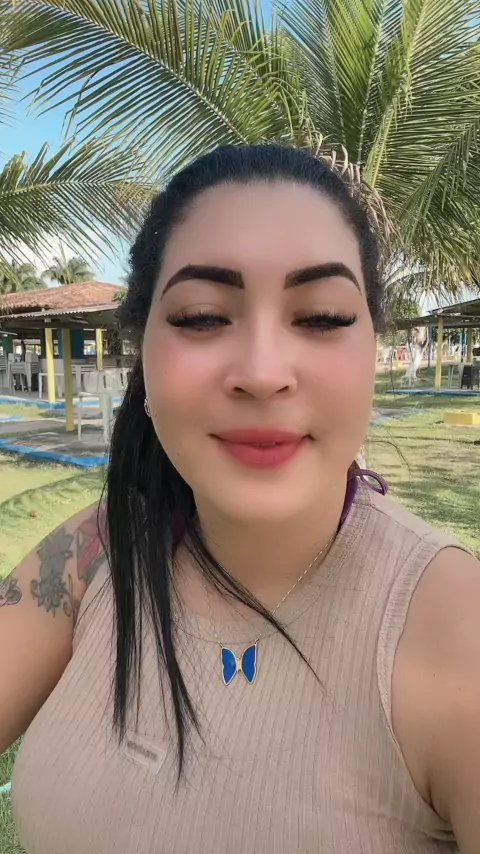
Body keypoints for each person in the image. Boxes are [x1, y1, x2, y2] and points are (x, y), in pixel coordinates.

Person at [1, 144, 479, 854]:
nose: (262, 372)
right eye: (201, 316)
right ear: (143, 351)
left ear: (373, 348)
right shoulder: (97, 551)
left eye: (321, 316)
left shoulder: (457, 636)